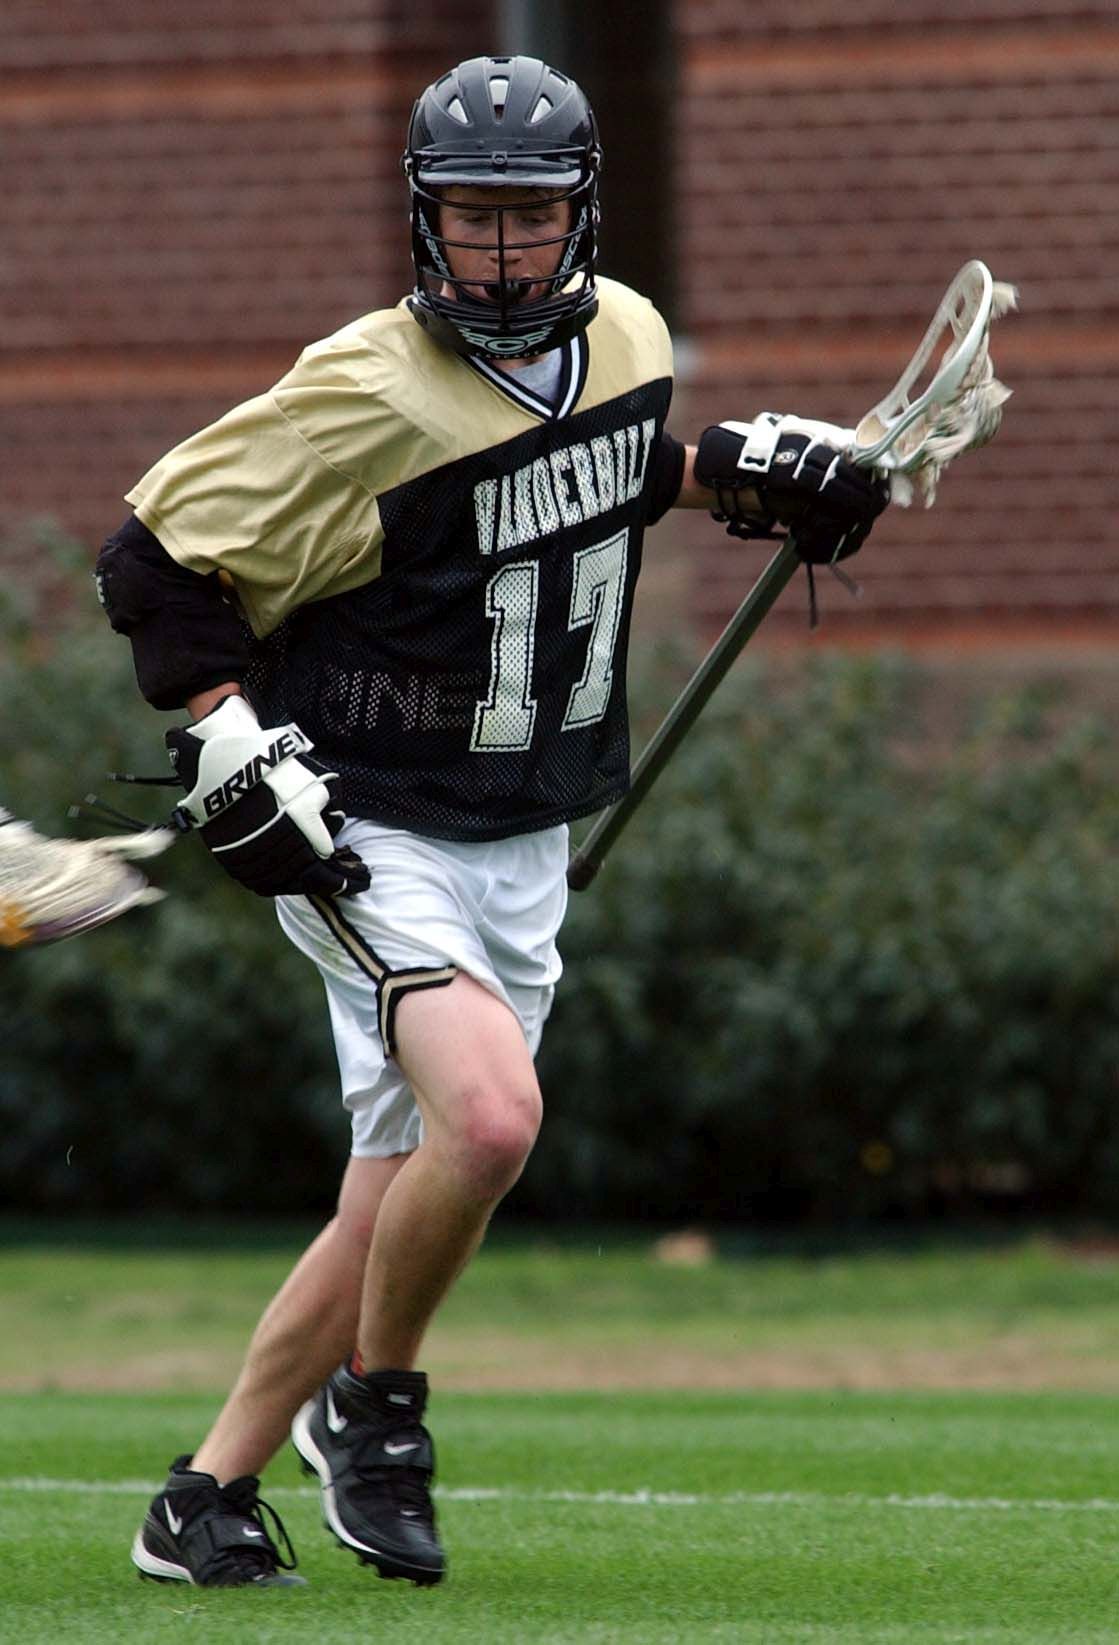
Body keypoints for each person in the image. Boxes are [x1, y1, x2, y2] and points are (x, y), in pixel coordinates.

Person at [96, 54, 889, 1591]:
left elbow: (591, 478)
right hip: (364, 817)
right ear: (425, 219)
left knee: (393, 1195)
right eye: (474, 216)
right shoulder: (367, 385)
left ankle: (201, 1498)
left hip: (523, 829)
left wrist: (737, 475)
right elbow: (155, 566)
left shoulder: (631, 338)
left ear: (582, 214)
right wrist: (228, 740)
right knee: (496, 1119)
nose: (505, 251)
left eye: (531, 216)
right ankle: (377, 1408)